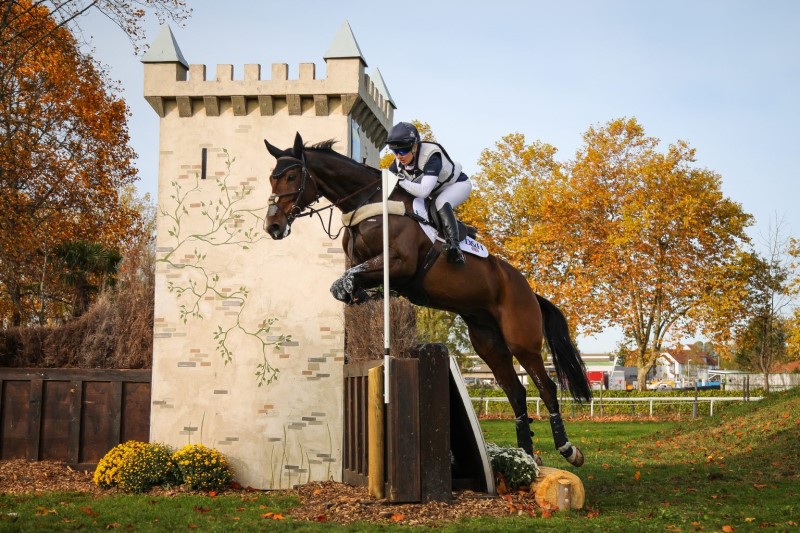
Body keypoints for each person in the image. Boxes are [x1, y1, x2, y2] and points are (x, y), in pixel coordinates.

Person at [386, 122, 472, 265]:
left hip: (458, 185)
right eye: (395, 151)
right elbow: (388, 185)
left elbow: (424, 192)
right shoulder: (398, 162)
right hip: (435, 191)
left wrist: (400, 181)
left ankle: (455, 248)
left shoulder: (431, 156)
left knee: (440, 202)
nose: (399, 156)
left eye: (403, 151)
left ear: (415, 146)